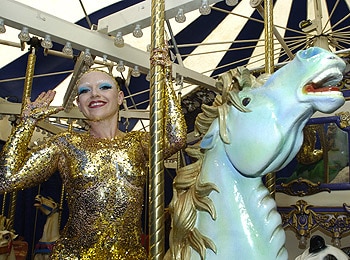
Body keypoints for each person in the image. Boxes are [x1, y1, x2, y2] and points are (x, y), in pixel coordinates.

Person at [0, 69, 187, 259]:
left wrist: (164, 80)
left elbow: (177, 139)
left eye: (104, 87)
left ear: (120, 97)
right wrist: (27, 123)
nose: (95, 94)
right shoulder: (66, 144)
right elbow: (7, 179)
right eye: (85, 91)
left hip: (129, 255)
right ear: (79, 105)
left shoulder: (139, 143)